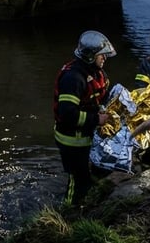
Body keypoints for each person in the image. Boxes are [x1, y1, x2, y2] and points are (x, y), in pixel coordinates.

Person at [53, 30, 115, 207]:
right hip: (71, 140)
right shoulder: (73, 78)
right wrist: (97, 120)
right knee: (77, 179)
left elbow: (100, 98)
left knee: (91, 175)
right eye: (101, 55)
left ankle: (87, 206)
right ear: (89, 56)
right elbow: (67, 114)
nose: (104, 59)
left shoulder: (97, 73)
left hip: (86, 136)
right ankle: (68, 212)